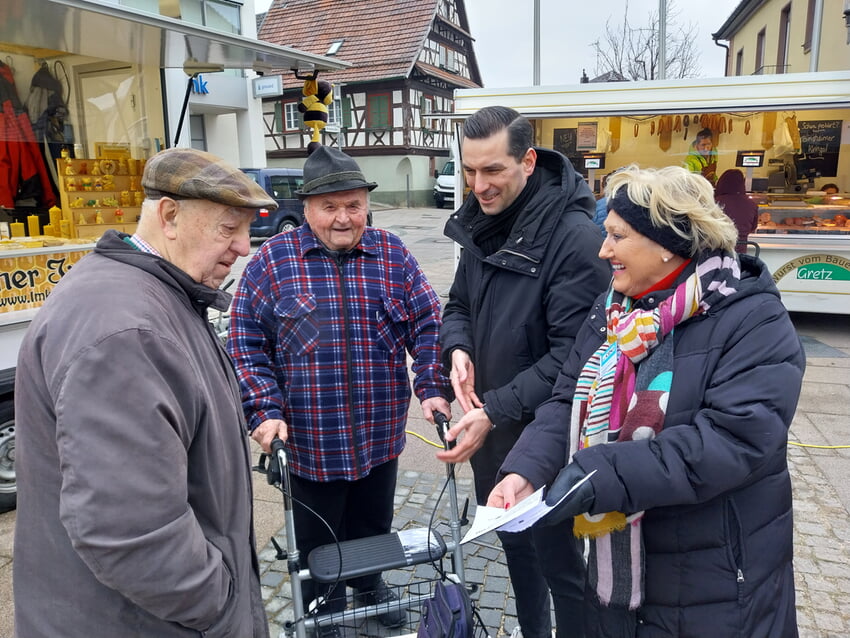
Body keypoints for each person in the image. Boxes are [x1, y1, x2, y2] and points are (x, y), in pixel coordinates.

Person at [489, 164, 805, 638]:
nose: (603, 250)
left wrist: (598, 472)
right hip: (619, 582)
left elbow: (730, 443)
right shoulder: (614, 309)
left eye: (617, 236)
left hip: (714, 580)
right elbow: (565, 399)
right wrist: (525, 469)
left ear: (667, 243)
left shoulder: (754, 319)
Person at [14, 148, 275, 637]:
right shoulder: (127, 328)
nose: (244, 247)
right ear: (169, 215)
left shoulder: (151, 296)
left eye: (246, 229)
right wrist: (218, 608)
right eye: (227, 228)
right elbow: (129, 531)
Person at [226, 146, 451, 636]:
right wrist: (263, 410)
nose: (344, 218)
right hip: (309, 444)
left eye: (353, 205)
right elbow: (245, 345)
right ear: (307, 209)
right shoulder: (271, 263)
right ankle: (320, 605)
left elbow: (429, 325)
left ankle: (370, 587)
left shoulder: (393, 254)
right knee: (314, 539)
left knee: (373, 526)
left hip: (378, 437)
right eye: (330, 207)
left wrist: (432, 385)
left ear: (366, 204)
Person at [438, 105, 611, 638]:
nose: (478, 186)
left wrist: (497, 408)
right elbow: (458, 305)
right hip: (492, 436)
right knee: (519, 560)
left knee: (563, 571)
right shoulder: (483, 225)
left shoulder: (576, 240)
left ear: (529, 161)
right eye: (470, 171)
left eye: (493, 171)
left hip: (547, 443)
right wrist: (458, 349)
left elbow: (574, 359)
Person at [715, 168, 758, 253]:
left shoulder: (715, 202)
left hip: (718, 250)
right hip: (740, 252)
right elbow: (753, 227)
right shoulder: (751, 204)